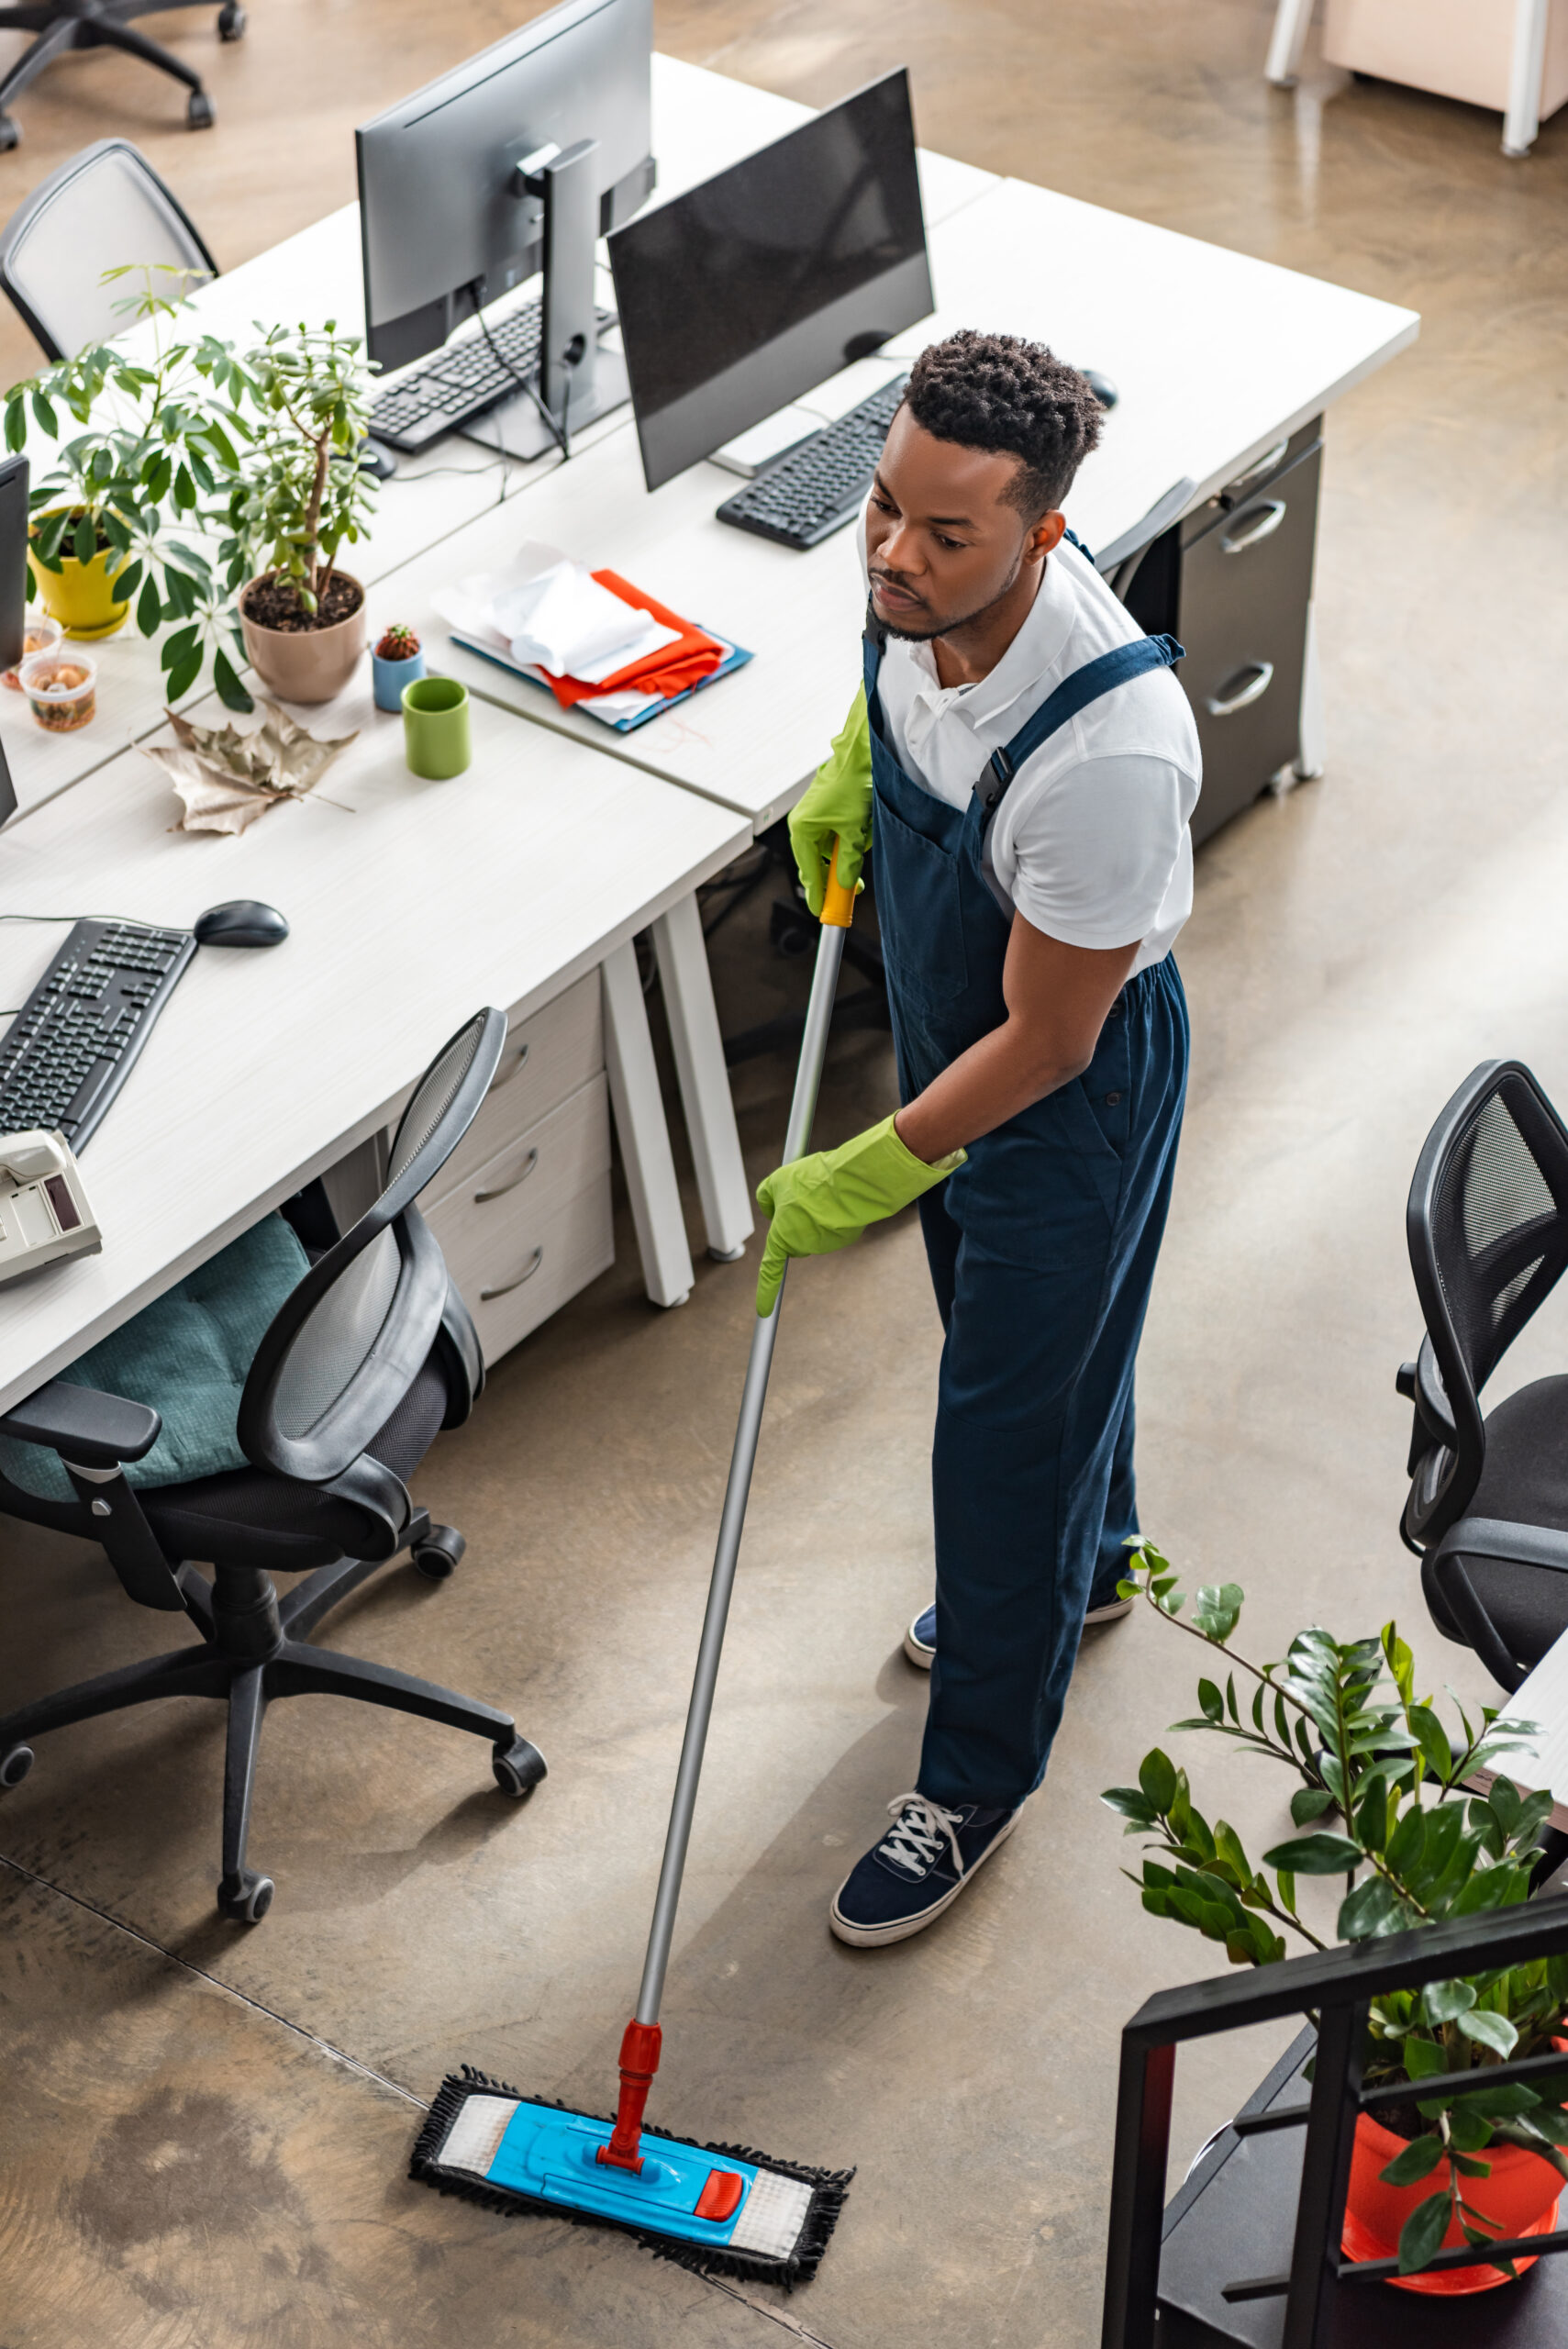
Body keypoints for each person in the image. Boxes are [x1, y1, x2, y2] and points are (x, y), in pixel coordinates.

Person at [753, 330, 1200, 1947]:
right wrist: (846, 770)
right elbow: (893, 697)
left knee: (1000, 1433)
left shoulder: (1109, 752)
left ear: (1044, 535)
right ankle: (1093, 1567)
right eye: (886, 508)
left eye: (946, 536)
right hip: (960, 1025)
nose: (893, 553)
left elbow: (1055, 1037)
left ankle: (977, 1777)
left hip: (1060, 1088)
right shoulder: (906, 591)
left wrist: (875, 1165)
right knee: (1045, 1360)